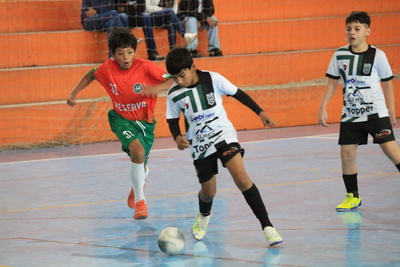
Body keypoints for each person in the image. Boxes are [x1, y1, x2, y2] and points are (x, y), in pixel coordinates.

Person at [164, 47, 283, 246]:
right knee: (209, 192)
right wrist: (177, 137)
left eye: (182, 76)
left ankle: (268, 226)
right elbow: (172, 120)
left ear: (192, 67)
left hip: (223, 135)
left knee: (241, 177)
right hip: (200, 144)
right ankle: (204, 213)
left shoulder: (213, 79)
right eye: (174, 77)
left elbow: (238, 94)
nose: (178, 81)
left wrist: (260, 112)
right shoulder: (174, 93)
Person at [67, 27, 173, 220]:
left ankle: (139, 180)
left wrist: (156, 88)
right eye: (121, 53)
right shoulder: (107, 68)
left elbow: (172, 81)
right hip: (120, 119)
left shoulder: (146, 66)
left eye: (130, 52)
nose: (126, 57)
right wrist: (74, 92)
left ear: (135, 51)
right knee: (138, 151)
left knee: (141, 164)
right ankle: (141, 203)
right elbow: (90, 74)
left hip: (146, 124)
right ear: (113, 54)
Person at [318, 11, 400, 212]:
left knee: (391, 151)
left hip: (375, 113)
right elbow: (332, 82)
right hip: (351, 114)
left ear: (367, 31)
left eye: (357, 29)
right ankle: (352, 197)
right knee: (346, 154)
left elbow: (388, 84)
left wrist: (391, 111)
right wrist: (323, 106)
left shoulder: (378, 56)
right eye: (348, 29)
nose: (352, 33)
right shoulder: (339, 55)